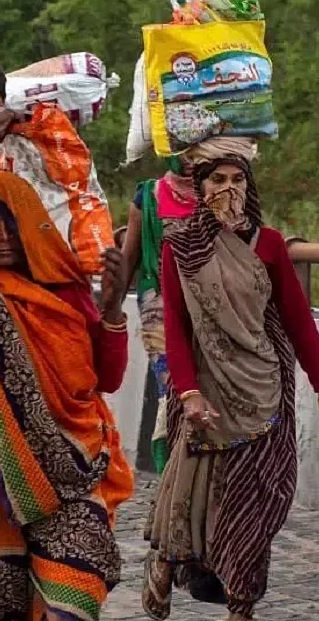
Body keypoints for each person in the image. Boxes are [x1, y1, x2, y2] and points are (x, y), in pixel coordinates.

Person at [0, 107, 134, 621]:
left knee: (76, 591)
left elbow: (108, 380)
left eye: (11, 221)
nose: (3, 235)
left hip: (66, 461)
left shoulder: (63, 292)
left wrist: (113, 309)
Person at [142, 145, 319, 621]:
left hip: (265, 387)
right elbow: (178, 326)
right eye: (217, 180)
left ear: (249, 188)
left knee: (264, 495)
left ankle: (242, 601)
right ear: (200, 191)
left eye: (237, 180)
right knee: (197, 493)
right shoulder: (180, 245)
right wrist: (188, 390)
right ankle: (169, 565)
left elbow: (298, 322)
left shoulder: (268, 244)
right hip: (206, 387)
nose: (228, 189)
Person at [119, 158, 197, 475]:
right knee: (177, 396)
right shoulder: (148, 198)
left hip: (210, 310)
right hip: (160, 313)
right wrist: (107, 316)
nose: (192, 159)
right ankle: (173, 480)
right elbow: (128, 260)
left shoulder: (224, 190)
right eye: (185, 151)